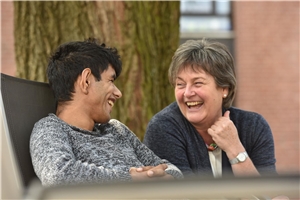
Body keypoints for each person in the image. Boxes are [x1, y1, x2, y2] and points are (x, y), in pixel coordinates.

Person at [30, 38, 183, 187]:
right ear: (86, 81)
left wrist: (165, 177)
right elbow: (59, 177)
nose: (118, 93)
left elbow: (169, 168)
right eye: (111, 81)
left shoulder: (116, 129)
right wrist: (131, 179)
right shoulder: (51, 129)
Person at [143, 39, 276, 178]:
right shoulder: (163, 127)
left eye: (198, 83)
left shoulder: (253, 126)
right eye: (180, 84)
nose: (187, 93)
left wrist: (235, 148)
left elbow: (271, 194)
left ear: (224, 88)